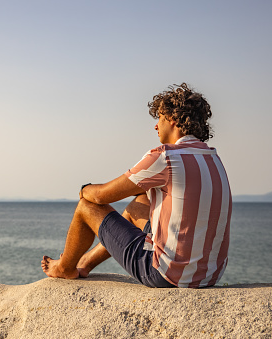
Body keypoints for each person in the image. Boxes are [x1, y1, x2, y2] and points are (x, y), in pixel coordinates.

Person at [41, 83, 231, 288]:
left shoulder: (165, 157)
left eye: (159, 118)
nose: (156, 126)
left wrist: (83, 190)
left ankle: (65, 268)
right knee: (140, 201)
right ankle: (85, 263)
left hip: (167, 276)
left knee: (87, 207)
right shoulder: (213, 158)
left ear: (173, 119)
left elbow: (100, 197)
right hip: (209, 276)